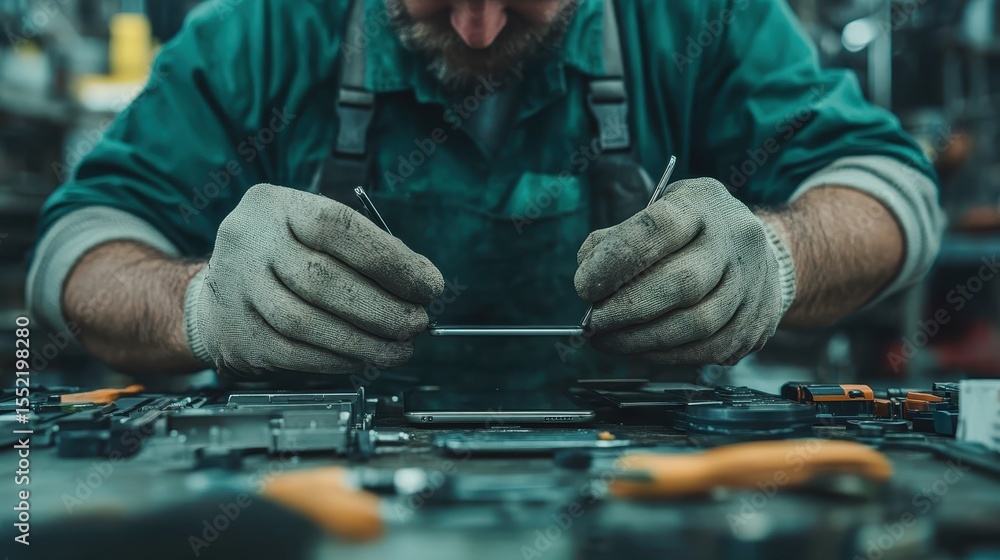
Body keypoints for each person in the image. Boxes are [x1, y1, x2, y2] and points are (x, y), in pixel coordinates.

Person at [27, 0, 944, 387]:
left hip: (649, 513)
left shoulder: (702, 19)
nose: (475, 27)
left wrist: (777, 260)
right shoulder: (260, 30)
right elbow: (79, 251)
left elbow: (890, 186)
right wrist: (197, 307)